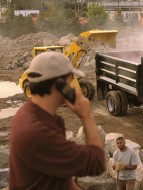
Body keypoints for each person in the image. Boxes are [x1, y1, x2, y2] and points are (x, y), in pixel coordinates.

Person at [9, 52, 105, 190]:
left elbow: (62, 179)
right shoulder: (38, 133)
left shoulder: (34, 114)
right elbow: (96, 162)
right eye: (70, 79)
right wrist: (86, 115)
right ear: (59, 84)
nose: (73, 85)